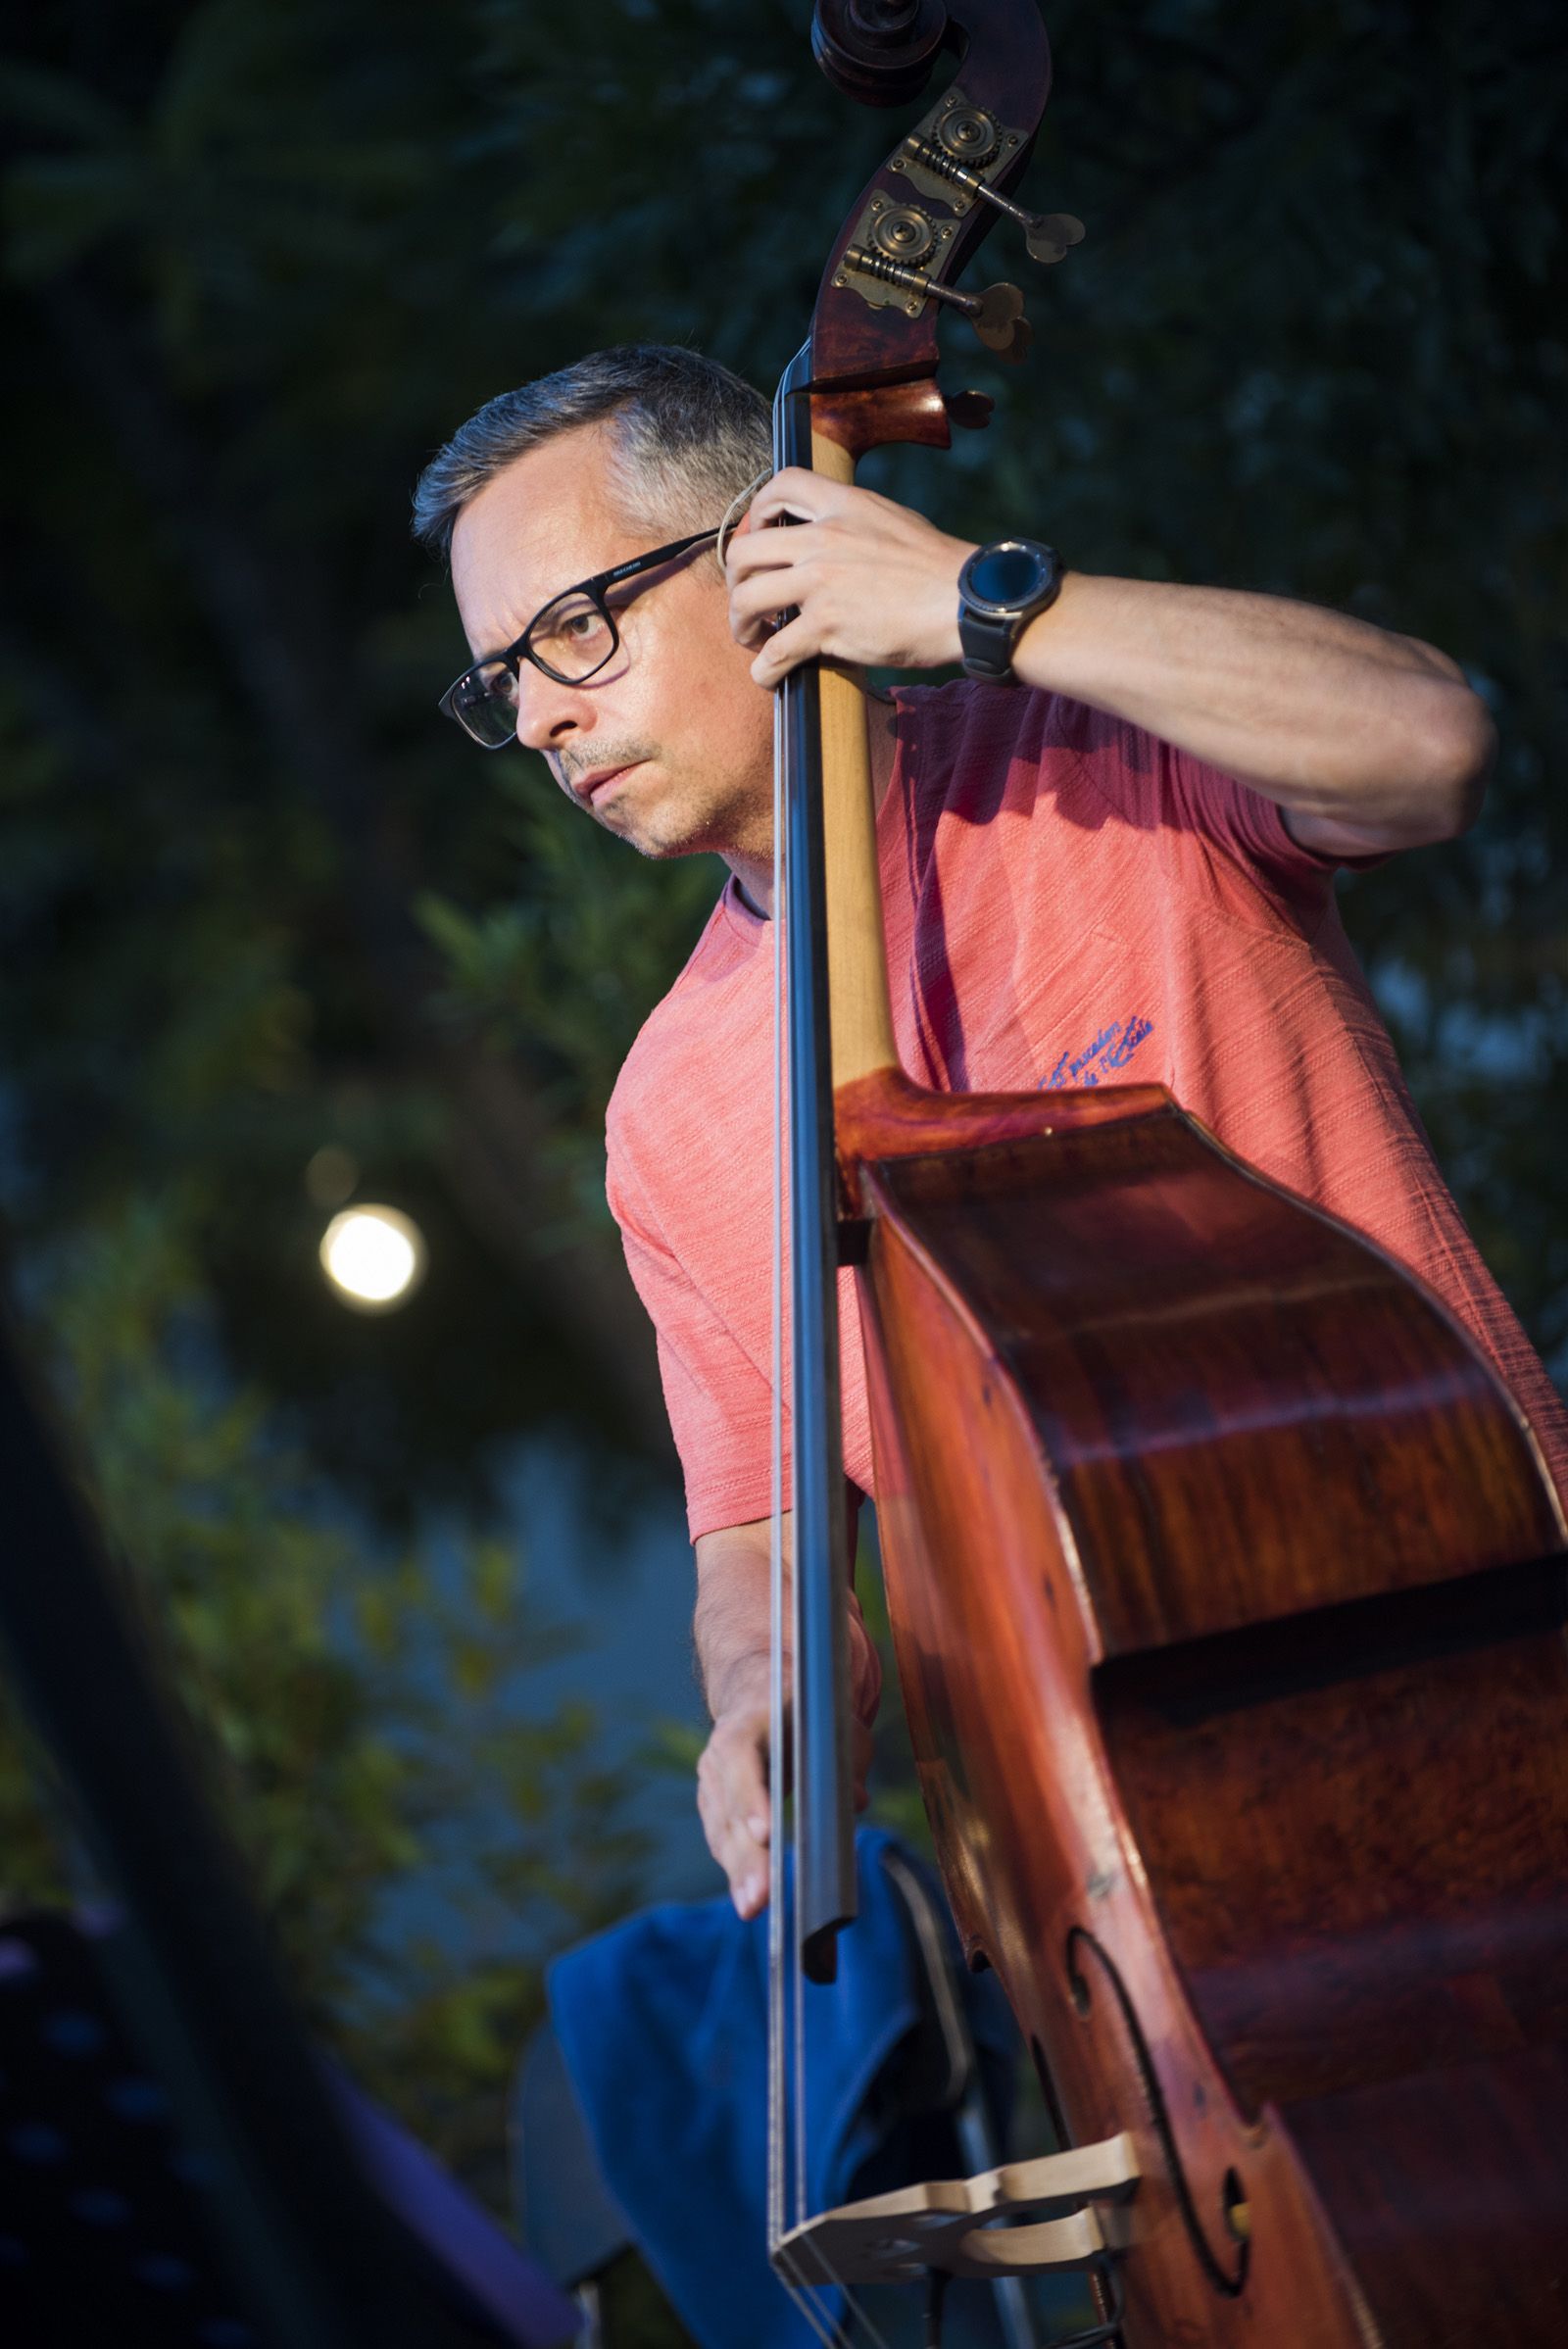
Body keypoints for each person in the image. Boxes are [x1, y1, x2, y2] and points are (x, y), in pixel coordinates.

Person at [412, 344, 1568, 1924]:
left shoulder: (1107, 760)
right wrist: (760, 1691)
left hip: (1465, 1632)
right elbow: (762, 1529)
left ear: (763, 551)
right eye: (504, 678)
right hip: (1115, 1862)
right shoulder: (663, 1113)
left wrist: (986, 602)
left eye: (572, 629)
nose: (542, 715)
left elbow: (1432, 748)